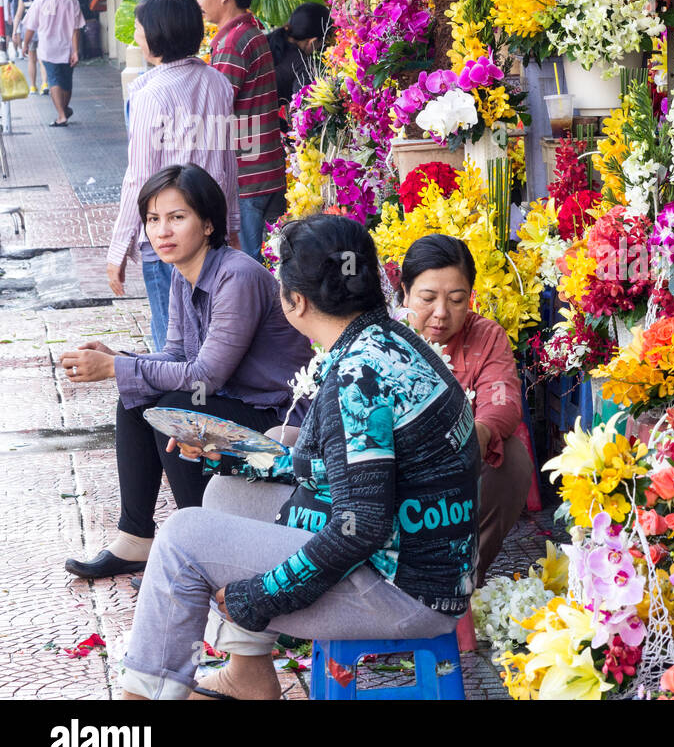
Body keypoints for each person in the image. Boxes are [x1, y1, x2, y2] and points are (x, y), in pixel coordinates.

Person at [119, 214, 480, 700]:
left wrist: (260, 596)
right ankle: (247, 673)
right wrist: (229, 452)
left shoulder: (357, 379)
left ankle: (141, 699)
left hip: (406, 591)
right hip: (421, 564)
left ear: (297, 302)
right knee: (227, 491)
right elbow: (343, 473)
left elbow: (363, 525)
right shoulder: (390, 340)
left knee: (183, 538)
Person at [59, 164, 313, 580]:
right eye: (153, 220)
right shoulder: (184, 273)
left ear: (208, 223)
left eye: (177, 218)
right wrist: (119, 357)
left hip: (279, 419)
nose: (163, 232)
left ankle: (203, 545)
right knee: (136, 398)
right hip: (235, 400)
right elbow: (177, 354)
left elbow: (204, 376)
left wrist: (117, 366)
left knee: (175, 407)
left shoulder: (237, 275)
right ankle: (136, 538)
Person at [109, 0, 242, 353]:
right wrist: (230, 228)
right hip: (208, 231)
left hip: (167, 233)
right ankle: (205, 404)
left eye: (138, 27)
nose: (136, 34)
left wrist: (119, 246)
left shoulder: (151, 94)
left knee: (173, 342)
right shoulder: (217, 82)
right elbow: (226, 163)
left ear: (156, 33)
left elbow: (139, 174)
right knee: (209, 333)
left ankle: (177, 405)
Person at [401, 234, 533, 585]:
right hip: (390, 473)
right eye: (428, 298)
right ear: (405, 292)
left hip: (459, 467)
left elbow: (501, 400)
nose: (441, 313)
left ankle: (462, 578)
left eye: (456, 299)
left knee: (513, 459)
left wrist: (478, 432)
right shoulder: (385, 336)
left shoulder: (485, 336)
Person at [194, 0, 285, 260]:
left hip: (248, 178)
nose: (199, 1)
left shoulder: (233, 41)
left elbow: (217, 110)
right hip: (266, 170)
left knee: (247, 267)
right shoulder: (250, 33)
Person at [22, 0, 84, 126]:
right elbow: (76, 29)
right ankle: (64, 109)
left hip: (48, 49)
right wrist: (75, 51)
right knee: (66, 81)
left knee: (54, 80)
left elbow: (30, 27)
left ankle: (61, 115)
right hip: (68, 49)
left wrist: (25, 44)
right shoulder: (72, 1)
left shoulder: (40, 1)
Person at [267, 2, 330, 109]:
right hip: (259, 123)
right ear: (313, 41)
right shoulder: (301, 65)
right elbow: (302, 110)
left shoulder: (265, 40)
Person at [14, 0, 48, 95]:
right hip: (44, 30)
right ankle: (45, 84)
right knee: (43, 58)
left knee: (32, 60)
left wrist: (14, 32)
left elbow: (18, 16)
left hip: (30, 31)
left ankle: (33, 87)